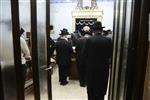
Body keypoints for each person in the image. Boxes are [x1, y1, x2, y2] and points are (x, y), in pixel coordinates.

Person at [84, 21, 112, 100]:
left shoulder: (89, 40)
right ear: (101, 30)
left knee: (91, 88)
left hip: (91, 68)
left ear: (93, 31)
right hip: (103, 69)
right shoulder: (108, 40)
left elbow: (85, 54)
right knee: (101, 87)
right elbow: (110, 54)